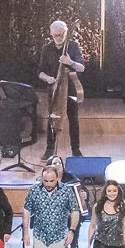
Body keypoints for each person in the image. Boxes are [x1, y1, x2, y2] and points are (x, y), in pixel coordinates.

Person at [38, 20, 86, 160]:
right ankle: (50, 149)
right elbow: (40, 72)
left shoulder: (73, 46)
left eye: (61, 35)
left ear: (66, 33)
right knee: (52, 118)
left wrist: (70, 62)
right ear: (51, 34)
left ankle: (76, 149)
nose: (58, 38)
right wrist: (48, 78)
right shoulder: (47, 49)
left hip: (70, 89)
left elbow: (82, 68)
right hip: (54, 88)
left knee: (73, 119)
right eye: (55, 35)